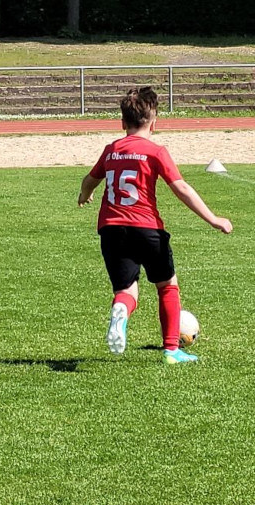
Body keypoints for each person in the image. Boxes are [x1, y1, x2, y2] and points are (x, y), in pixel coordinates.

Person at [78, 86, 232, 364]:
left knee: (126, 290)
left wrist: (84, 195)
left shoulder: (111, 151)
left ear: (122, 123)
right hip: (147, 227)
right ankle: (172, 350)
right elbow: (181, 188)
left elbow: (90, 180)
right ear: (154, 120)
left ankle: (121, 312)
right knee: (167, 285)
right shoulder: (155, 151)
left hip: (111, 229)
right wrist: (213, 218)